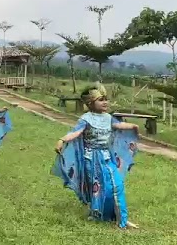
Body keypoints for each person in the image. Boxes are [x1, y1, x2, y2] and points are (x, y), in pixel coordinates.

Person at [51, 85, 140, 229]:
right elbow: (75, 133)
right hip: (91, 159)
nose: (105, 102)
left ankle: (122, 219)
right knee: (98, 188)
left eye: (106, 99)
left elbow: (119, 125)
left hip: (106, 157)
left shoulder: (108, 118)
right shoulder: (86, 119)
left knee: (117, 185)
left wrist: (133, 126)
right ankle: (99, 214)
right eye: (101, 100)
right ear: (91, 103)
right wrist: (62, 140)